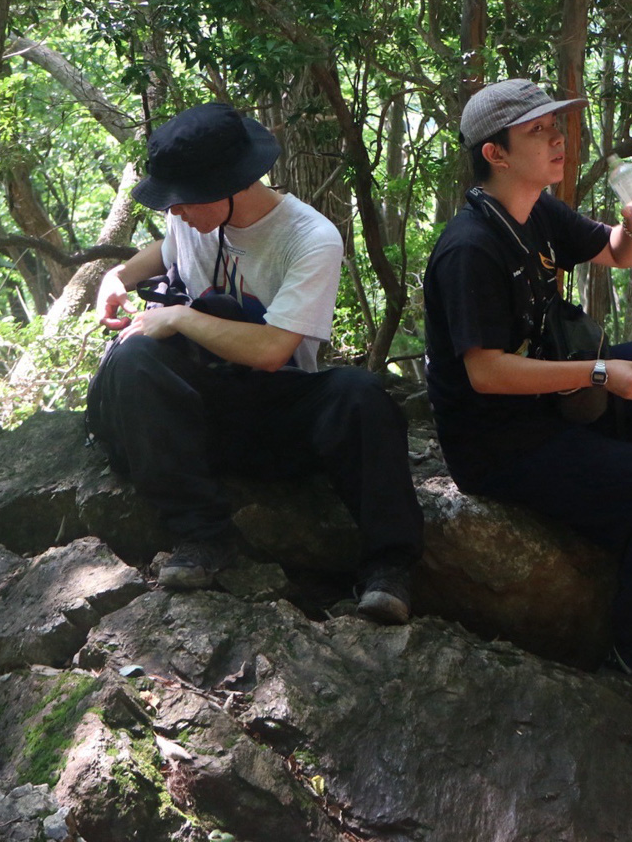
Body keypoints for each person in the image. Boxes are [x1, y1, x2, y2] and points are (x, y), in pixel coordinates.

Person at [422, 79, 632, 705]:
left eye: (555, 126)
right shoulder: (469, 247)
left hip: (554, 403)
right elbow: (486, 373)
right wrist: (599, 373)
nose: (557, 139)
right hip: (500, 444)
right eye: (537, 131)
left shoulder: (537, 211)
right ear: (495, 154)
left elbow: (618, 254)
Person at [85, 101, 424, 624]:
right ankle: (202, 538)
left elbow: (272, 351)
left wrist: (179, 317)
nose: (175, 212)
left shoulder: (310, 238)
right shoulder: (192, 220)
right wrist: (118, 277)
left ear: (230, 186)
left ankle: (389, 566)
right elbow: (167, 247)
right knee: (134, 358)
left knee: (360, 394)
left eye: (183, 201)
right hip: (194, 415)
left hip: (275, 416)